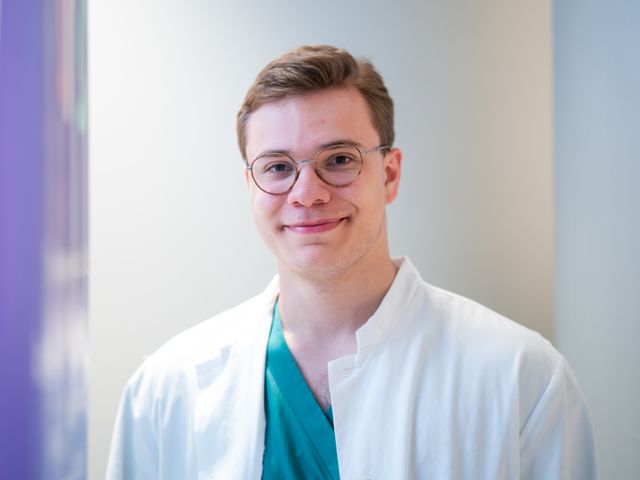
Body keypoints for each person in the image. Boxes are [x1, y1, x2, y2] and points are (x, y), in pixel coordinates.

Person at [106, 45, 597, 479]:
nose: (307, 194)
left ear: (389, 173)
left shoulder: (519, 377)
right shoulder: (167, 389)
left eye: (338, 159)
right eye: (277, 167)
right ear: (250, 187)